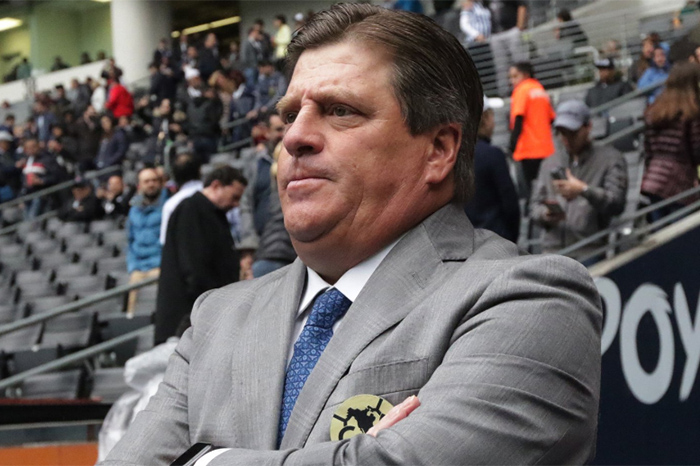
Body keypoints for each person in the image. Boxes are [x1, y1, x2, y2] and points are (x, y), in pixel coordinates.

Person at [102, 4, 601, 465]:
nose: (294, 137)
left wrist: (202, 461)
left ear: (438, 149)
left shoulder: (531, 301)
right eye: (289, 114)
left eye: (340, 110)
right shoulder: (216, 318)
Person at [153, 165, 246, 344]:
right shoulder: (191, 209)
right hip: (190, 317)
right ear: (216, 185)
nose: (236, 204)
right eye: (234, 197)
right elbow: (194, 268)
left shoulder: (214, 213)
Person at [530, 100, 627, 263]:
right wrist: (545, 214)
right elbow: (534, 207)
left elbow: (617, 204)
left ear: (588, 127)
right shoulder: (550, 162)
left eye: (572, 132)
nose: (566, 138)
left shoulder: (611, 159)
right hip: (552, 252)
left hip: (589, 251)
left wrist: (584, 190)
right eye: (562, 133)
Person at [641, 62, 700, 223]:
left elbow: (648, 149)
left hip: (653, 179)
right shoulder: (691, 112)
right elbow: (697, 150)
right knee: (682, 232)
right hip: (678, 181)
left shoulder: (654, 111)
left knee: (661, 232)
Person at [465, 98, 520, 242]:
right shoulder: (493, 155)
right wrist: (511, 238)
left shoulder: (454, 158)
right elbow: (510, 204)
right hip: (497, 238)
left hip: (467, 243)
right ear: (485, 119)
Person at [508, 61, 556, 194]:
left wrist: (512, 145)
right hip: (546, 149)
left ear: (525, 75)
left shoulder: (521, 90)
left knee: (531, 191)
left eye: (515, 76)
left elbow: (518, 118)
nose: (512, 81)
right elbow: (551, 118)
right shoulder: (540, 90)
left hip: (528, 149)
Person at [127, 167, 168, 315]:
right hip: (138, 268)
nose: (151, 184)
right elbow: (130, 240)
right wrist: (133, 266)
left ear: (160, 183)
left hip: (160, 266)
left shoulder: (168, 206)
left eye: (154, 180)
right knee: (132, 313)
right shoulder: (133, 209)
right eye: (146, 181)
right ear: (140, 185)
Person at [485, 0, 528, 96]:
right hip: (496, 34)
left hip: (511, 30)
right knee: (501, 66)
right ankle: (504, 93)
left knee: (519, 61)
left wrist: (519, 27)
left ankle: (526, 86)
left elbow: (522, 5)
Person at [159, 151, 203, 245]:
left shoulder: (171, 205)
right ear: (200, 171)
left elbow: (165, 241)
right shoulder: (214, 195)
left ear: (174, 175)